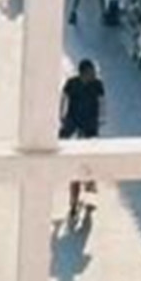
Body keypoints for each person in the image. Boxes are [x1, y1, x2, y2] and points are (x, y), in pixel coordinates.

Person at [60, 58, 106, 216]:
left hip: (90, 126)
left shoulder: (97, 85)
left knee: (91, 160)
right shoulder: (72, 83)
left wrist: (102, 118)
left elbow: (102, 102)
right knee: (74, 164)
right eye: (91, 72)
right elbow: (64, 98)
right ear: (83, 73)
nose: (94, 75)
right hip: (73, 124)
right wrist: (62, 116)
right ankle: (73, 201)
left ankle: (90, 186)